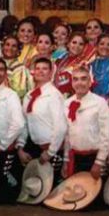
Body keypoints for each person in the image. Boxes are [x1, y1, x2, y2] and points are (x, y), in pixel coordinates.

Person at [16, 57, 67, 187]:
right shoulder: (29, 95)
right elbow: (24, 124)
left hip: (52, 149)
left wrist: (50, 152)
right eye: (37, 69)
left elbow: (60, 127)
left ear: (51, 73)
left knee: (49, 191)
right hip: (35, 148)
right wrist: (21, 148)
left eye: (45, 69)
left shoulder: (54, 95)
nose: (40, 71)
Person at [0, 58, 26, 204]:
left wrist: (2, 146)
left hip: (4, 148)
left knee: (3, 194)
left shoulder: (11, 95)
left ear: (5, 74)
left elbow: (19, 123)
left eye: (1, 69)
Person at [61, 67, 109, 180]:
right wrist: (66, 160)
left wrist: (99, 162)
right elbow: (67, 135)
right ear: (72, 83)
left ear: (90, 82)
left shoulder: (100, 102)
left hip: (95, 157)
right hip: (75, 157)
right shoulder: (66, 103)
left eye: (83, 79)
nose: (79, 83)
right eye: (76, 79)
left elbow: (106, 135)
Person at [53, 32, 97, 97]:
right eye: (74, 42)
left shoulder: (84, 63)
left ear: (84, 47)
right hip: (55, 93)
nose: (77, 46)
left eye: (81, 44)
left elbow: (88, 85)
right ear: (68, 44)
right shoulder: (59, 56)